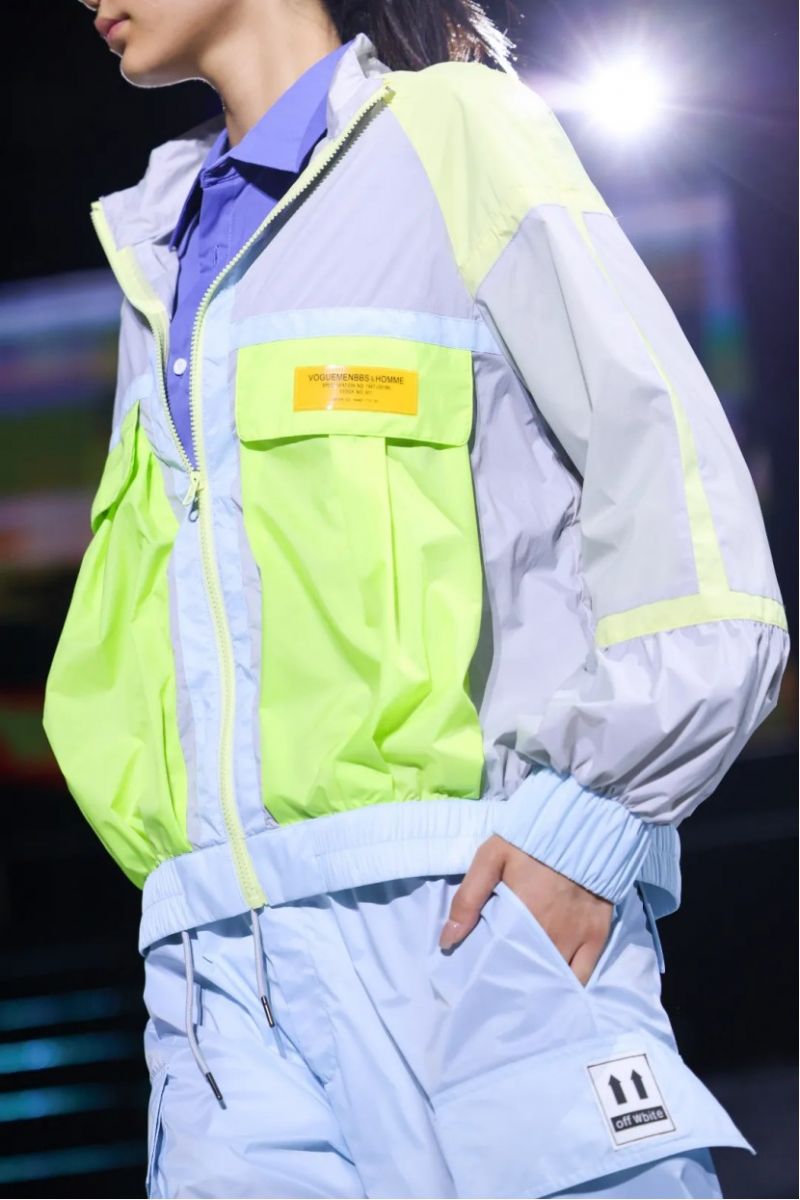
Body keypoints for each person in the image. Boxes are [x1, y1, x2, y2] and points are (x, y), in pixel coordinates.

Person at [46, 1, 789, 1196]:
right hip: (214, 984)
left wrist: (588, 830)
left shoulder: (453, 131)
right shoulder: (157, 243)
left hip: (465, 916)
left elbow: (672, 489)